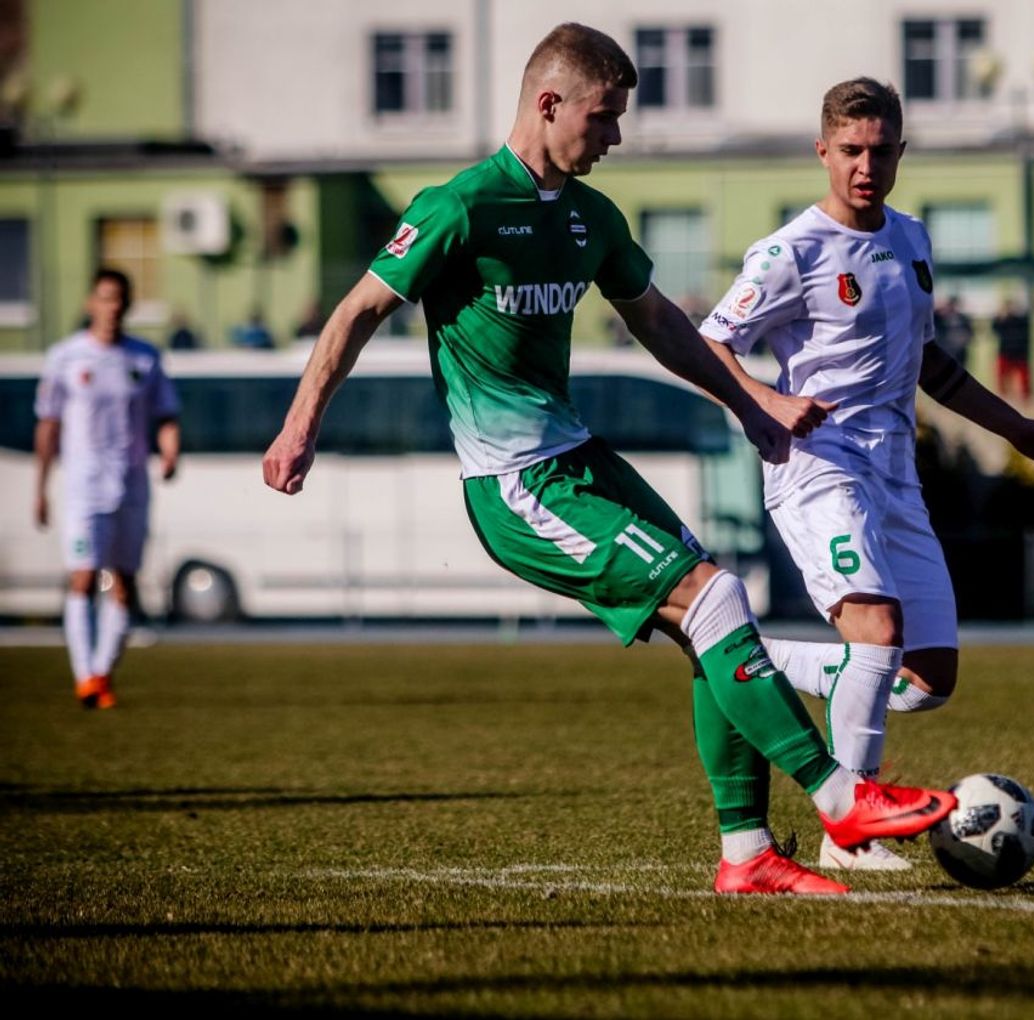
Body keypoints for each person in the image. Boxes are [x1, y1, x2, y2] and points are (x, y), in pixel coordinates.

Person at [259, 26, 955, 897]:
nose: (616, 136)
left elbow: (659, 322)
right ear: (550, 103)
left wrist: (751, 403)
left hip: (578, 457)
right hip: (516, 484)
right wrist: (299, 426)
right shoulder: (459, 206)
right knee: (715, 599)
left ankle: (747, 855)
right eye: (605, 116)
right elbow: (358, 310)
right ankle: (839, 797)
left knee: (714, 614)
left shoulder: (592, 216)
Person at [699, 77, 1034, 871]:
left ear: (900, 153)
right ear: (823, 151)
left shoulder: (911, 239)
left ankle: (745, 658)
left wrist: (1014, 426)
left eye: (879, 151)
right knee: (875, 632)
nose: (865, 166)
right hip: (819, 468)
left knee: (927, 677)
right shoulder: (790, 252)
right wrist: (767, 400)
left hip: (895, 475)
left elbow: (928, 363)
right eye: (850, 150)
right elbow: (709, 341)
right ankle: (851, 827)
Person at [33, 268, 181, 709]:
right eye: (104, 297)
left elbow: (166, 414)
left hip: (131, 483)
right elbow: (48, 425)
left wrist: (170, 451)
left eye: (119, 298)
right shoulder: (66, 357)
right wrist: (40, 486)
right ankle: (85, 676)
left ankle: (102, 672)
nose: (112, 307)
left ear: (128, 305)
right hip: (84, 485)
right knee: (83, 576)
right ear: (90, 303)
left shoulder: (144, 358)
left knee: (124, 582)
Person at [992, 296, 1031, 400]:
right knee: (1001, 376)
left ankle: (1025, 397)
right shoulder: (1001, 321)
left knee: (1024, 378)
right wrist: (1000, 317)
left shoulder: (1021, 321)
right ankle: (1003, 396)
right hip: (1005, 352)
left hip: (1019, 353)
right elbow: (995, 329)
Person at [933, 294, 973, 368]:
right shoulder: (940, 317)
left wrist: (962, 341)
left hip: (960, 352)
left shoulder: (963, 318)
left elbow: (969, 334)